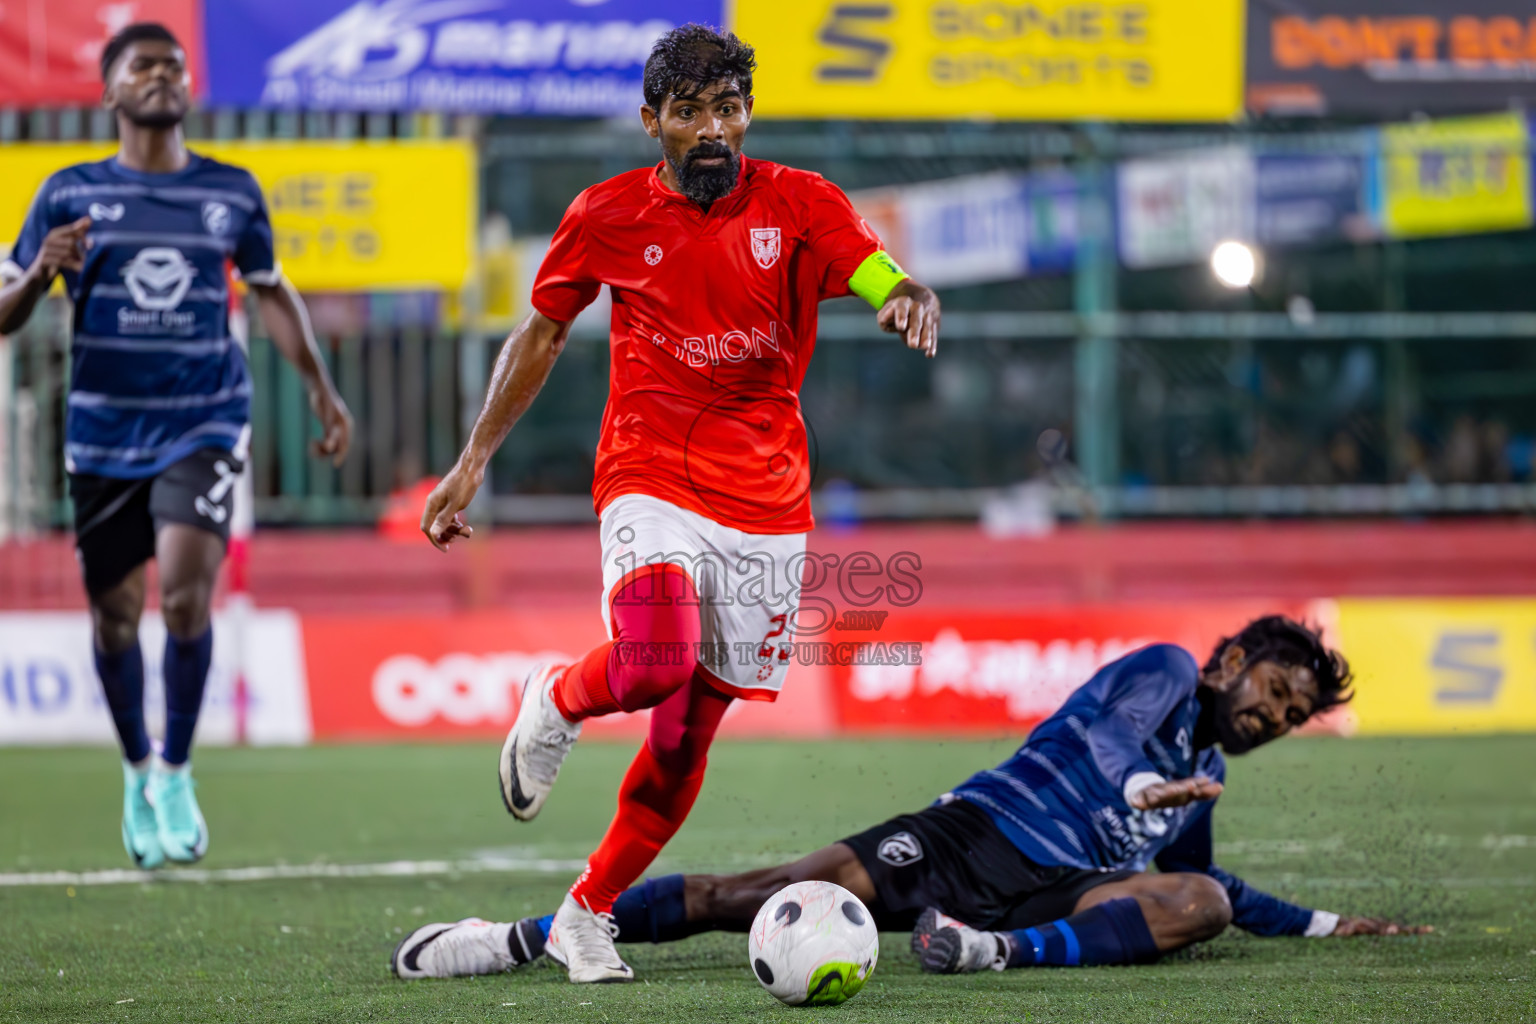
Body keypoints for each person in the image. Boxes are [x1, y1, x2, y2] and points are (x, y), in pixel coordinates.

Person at [419, 24, 940, 984]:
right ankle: (561, 696)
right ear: (652, 118)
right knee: (654, 662)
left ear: (747, 114)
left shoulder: (800, 200)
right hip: (648, 470)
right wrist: (470, 462)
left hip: (767, 498)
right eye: (691, 110)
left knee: (685, 731)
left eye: (728, 108)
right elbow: (539, 335)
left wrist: (901, 291)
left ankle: (588, 910)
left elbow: (867, 265)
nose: (712, 128)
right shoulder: (606, 214)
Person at [390, 617, 1429, 981]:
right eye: (1276, 694)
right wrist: (1146, 784)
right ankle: (521, 936)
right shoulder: (1162, 670)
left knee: (1192, 903)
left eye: (1291, 717)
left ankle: (994, 954)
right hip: (967, 833)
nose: (1273, 717)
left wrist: (1332, 923)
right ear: (1235, 661)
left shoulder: (1208, 777)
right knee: (749, 892)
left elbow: (1201, 878)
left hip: (1049, 891)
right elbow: (1112, 738)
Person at [0, 23, 352, 870]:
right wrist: (42, 269)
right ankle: (135, 773)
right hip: (102, 431)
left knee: (188, 599)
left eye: (174, 65)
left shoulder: (231, 190)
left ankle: (178, 771)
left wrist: (319, 386)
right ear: (111, 93)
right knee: (116, 614)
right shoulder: (66, 191)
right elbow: (5, 315)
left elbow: (270, 291)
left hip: (203, 419)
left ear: (189, 88)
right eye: (142, 66)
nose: (162, 75)